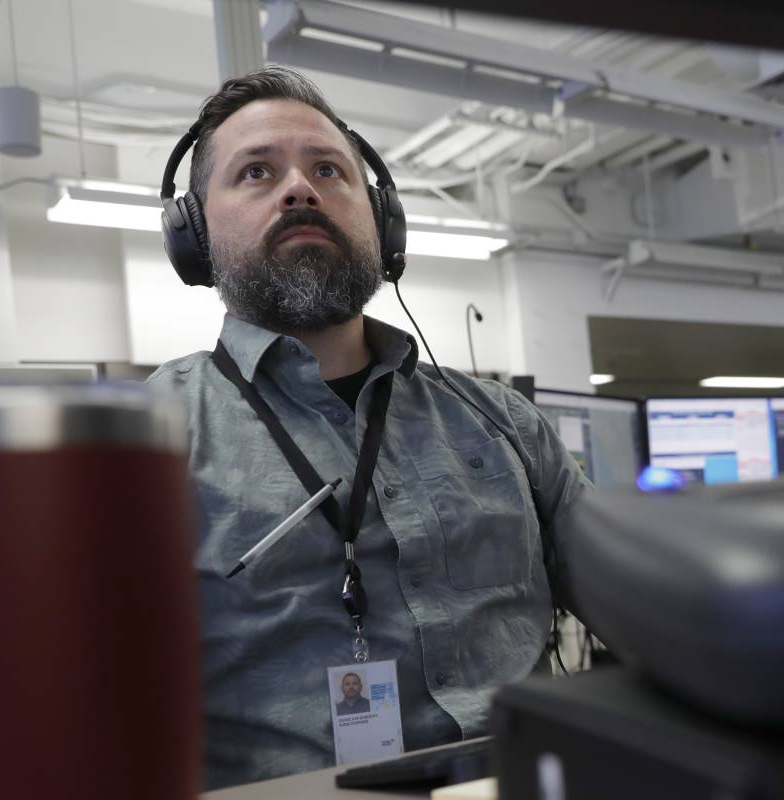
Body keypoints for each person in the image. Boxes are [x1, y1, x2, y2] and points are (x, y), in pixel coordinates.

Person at [146, 67, 589, 789]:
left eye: (328, 169)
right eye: (256, 172)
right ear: (194, 233)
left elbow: (643, 598)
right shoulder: (147, 441)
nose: (299, 189)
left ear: (381, 221)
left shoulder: (503, 424)